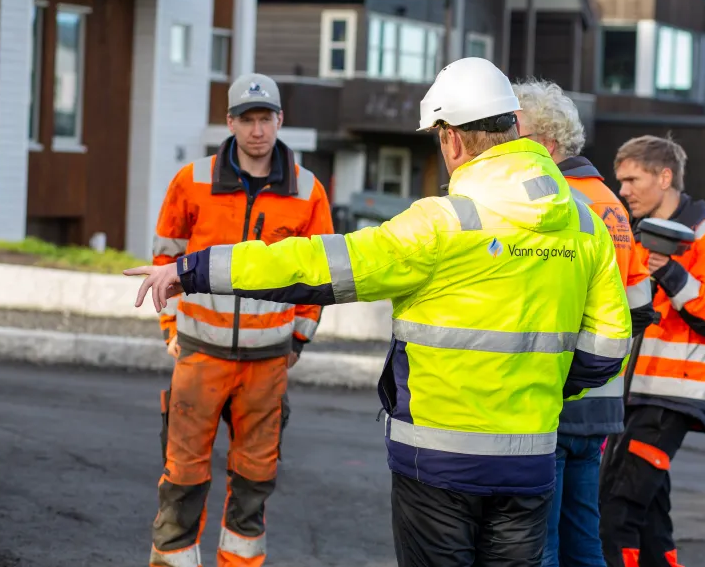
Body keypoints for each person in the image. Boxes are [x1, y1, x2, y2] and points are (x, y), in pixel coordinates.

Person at [125, 57, 633, 567]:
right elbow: (610, 342)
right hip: (529, 460)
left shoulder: (442, 224)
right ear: (515, 126)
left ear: (450, 139)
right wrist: (543, 383)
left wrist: (193, 270)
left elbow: (314, 263)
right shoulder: (585, 226)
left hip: (438, 465)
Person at [146, 72, 335, 567]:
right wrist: (171, 330)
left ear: (280, 121)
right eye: (247, 120)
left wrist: (297, 337)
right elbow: (166, 259)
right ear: (230, 123)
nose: (257, 130)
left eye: (265, 118)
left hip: (267, 361)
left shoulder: (308, 191)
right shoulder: (193, 181)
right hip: (199, 354)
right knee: (182, 474)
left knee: (254, 481)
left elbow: (320, 274)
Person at [512, 79, 655, 567]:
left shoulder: (553, 202)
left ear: (548, 145)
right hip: (601, 398)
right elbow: (638, 304)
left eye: (517, 134)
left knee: (542, 541)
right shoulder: (610, 203)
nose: (507, 144)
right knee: (583, 535)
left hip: (557, 390)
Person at [598, 135, 705, 567]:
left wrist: (674, 275)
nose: (622, 190)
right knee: (648, 520)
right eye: (620, 180)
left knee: (616, 510)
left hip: (670, 400)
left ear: (664, 177)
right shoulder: (640, 235)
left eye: (631, 179)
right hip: (634, 395)